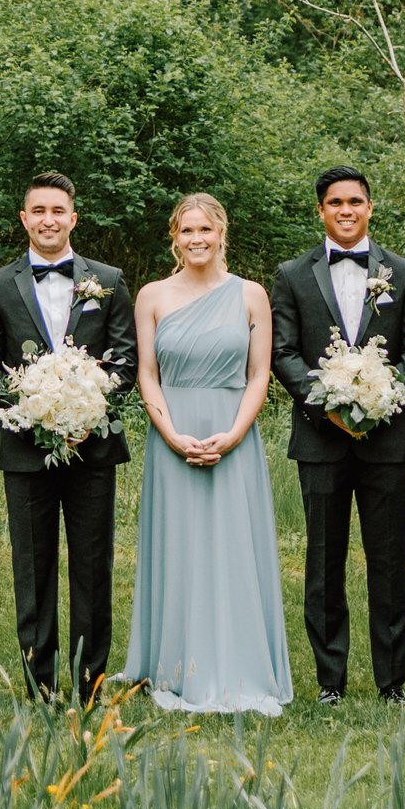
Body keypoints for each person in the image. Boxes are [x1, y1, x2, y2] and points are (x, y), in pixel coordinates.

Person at [0, 171, 137, 704]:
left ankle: (90, 682)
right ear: (25, 218)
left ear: (73, 218)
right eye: (38, 211)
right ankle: (40, 685)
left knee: (92, 565)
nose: (48, 220)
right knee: (34, 567)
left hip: (92, 447)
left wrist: (89, 407)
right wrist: (33, 409)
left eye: (57, 211)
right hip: (26, 450)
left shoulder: (107, 279)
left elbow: (125, 359)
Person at [270, 164, 405, 703]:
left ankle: (392, 683)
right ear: (321, 210)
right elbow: (284, 353)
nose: (346, 210)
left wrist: (382, 400)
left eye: (355, 201)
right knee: (322, 560)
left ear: (369, 207)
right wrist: (329, 404)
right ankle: (330, 681)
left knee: (388, 560)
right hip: (320, 438)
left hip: (387, 440)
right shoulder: (292, 274)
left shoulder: (403, 272)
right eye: (335, 202)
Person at [124, 192, 292, 715]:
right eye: (186, 231)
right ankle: (174, 663)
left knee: (231, 547)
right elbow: (145, 374)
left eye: (205, 230)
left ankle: (237, 663)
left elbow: (259, 373)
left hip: (232, 433)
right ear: (174, 238)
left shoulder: (250, 295)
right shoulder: (151, 296)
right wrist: (171, 433)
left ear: (222, 234)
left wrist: (237, 432)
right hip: (171, 434)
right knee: (179, 549)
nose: (196, 240)